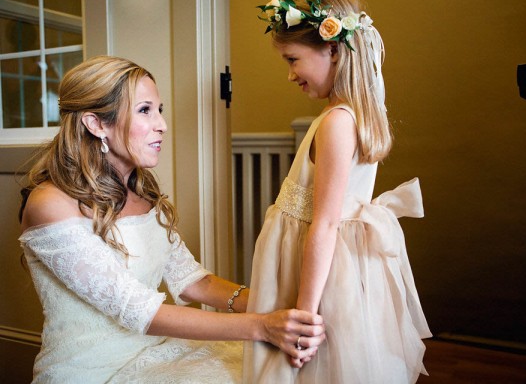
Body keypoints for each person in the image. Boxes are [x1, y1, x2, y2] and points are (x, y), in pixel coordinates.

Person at [18, 55, 326, 384]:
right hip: (93, 372)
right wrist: (264, 326)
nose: (162, 124)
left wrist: (277, 305)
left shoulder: (143, 192)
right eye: (145, 110)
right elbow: (137, 310)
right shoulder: (50, 204)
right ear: (96, 124)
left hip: (156, 350)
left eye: (159, 110)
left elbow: (195, 281)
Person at [243, 0, 432, 383]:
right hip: (327, 263)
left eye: (293, 60)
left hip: (315, 270)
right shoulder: (347, 115)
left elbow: (325, 223)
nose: (290, 73)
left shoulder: (337, 123)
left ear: (332, 49)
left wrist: (305, 318)